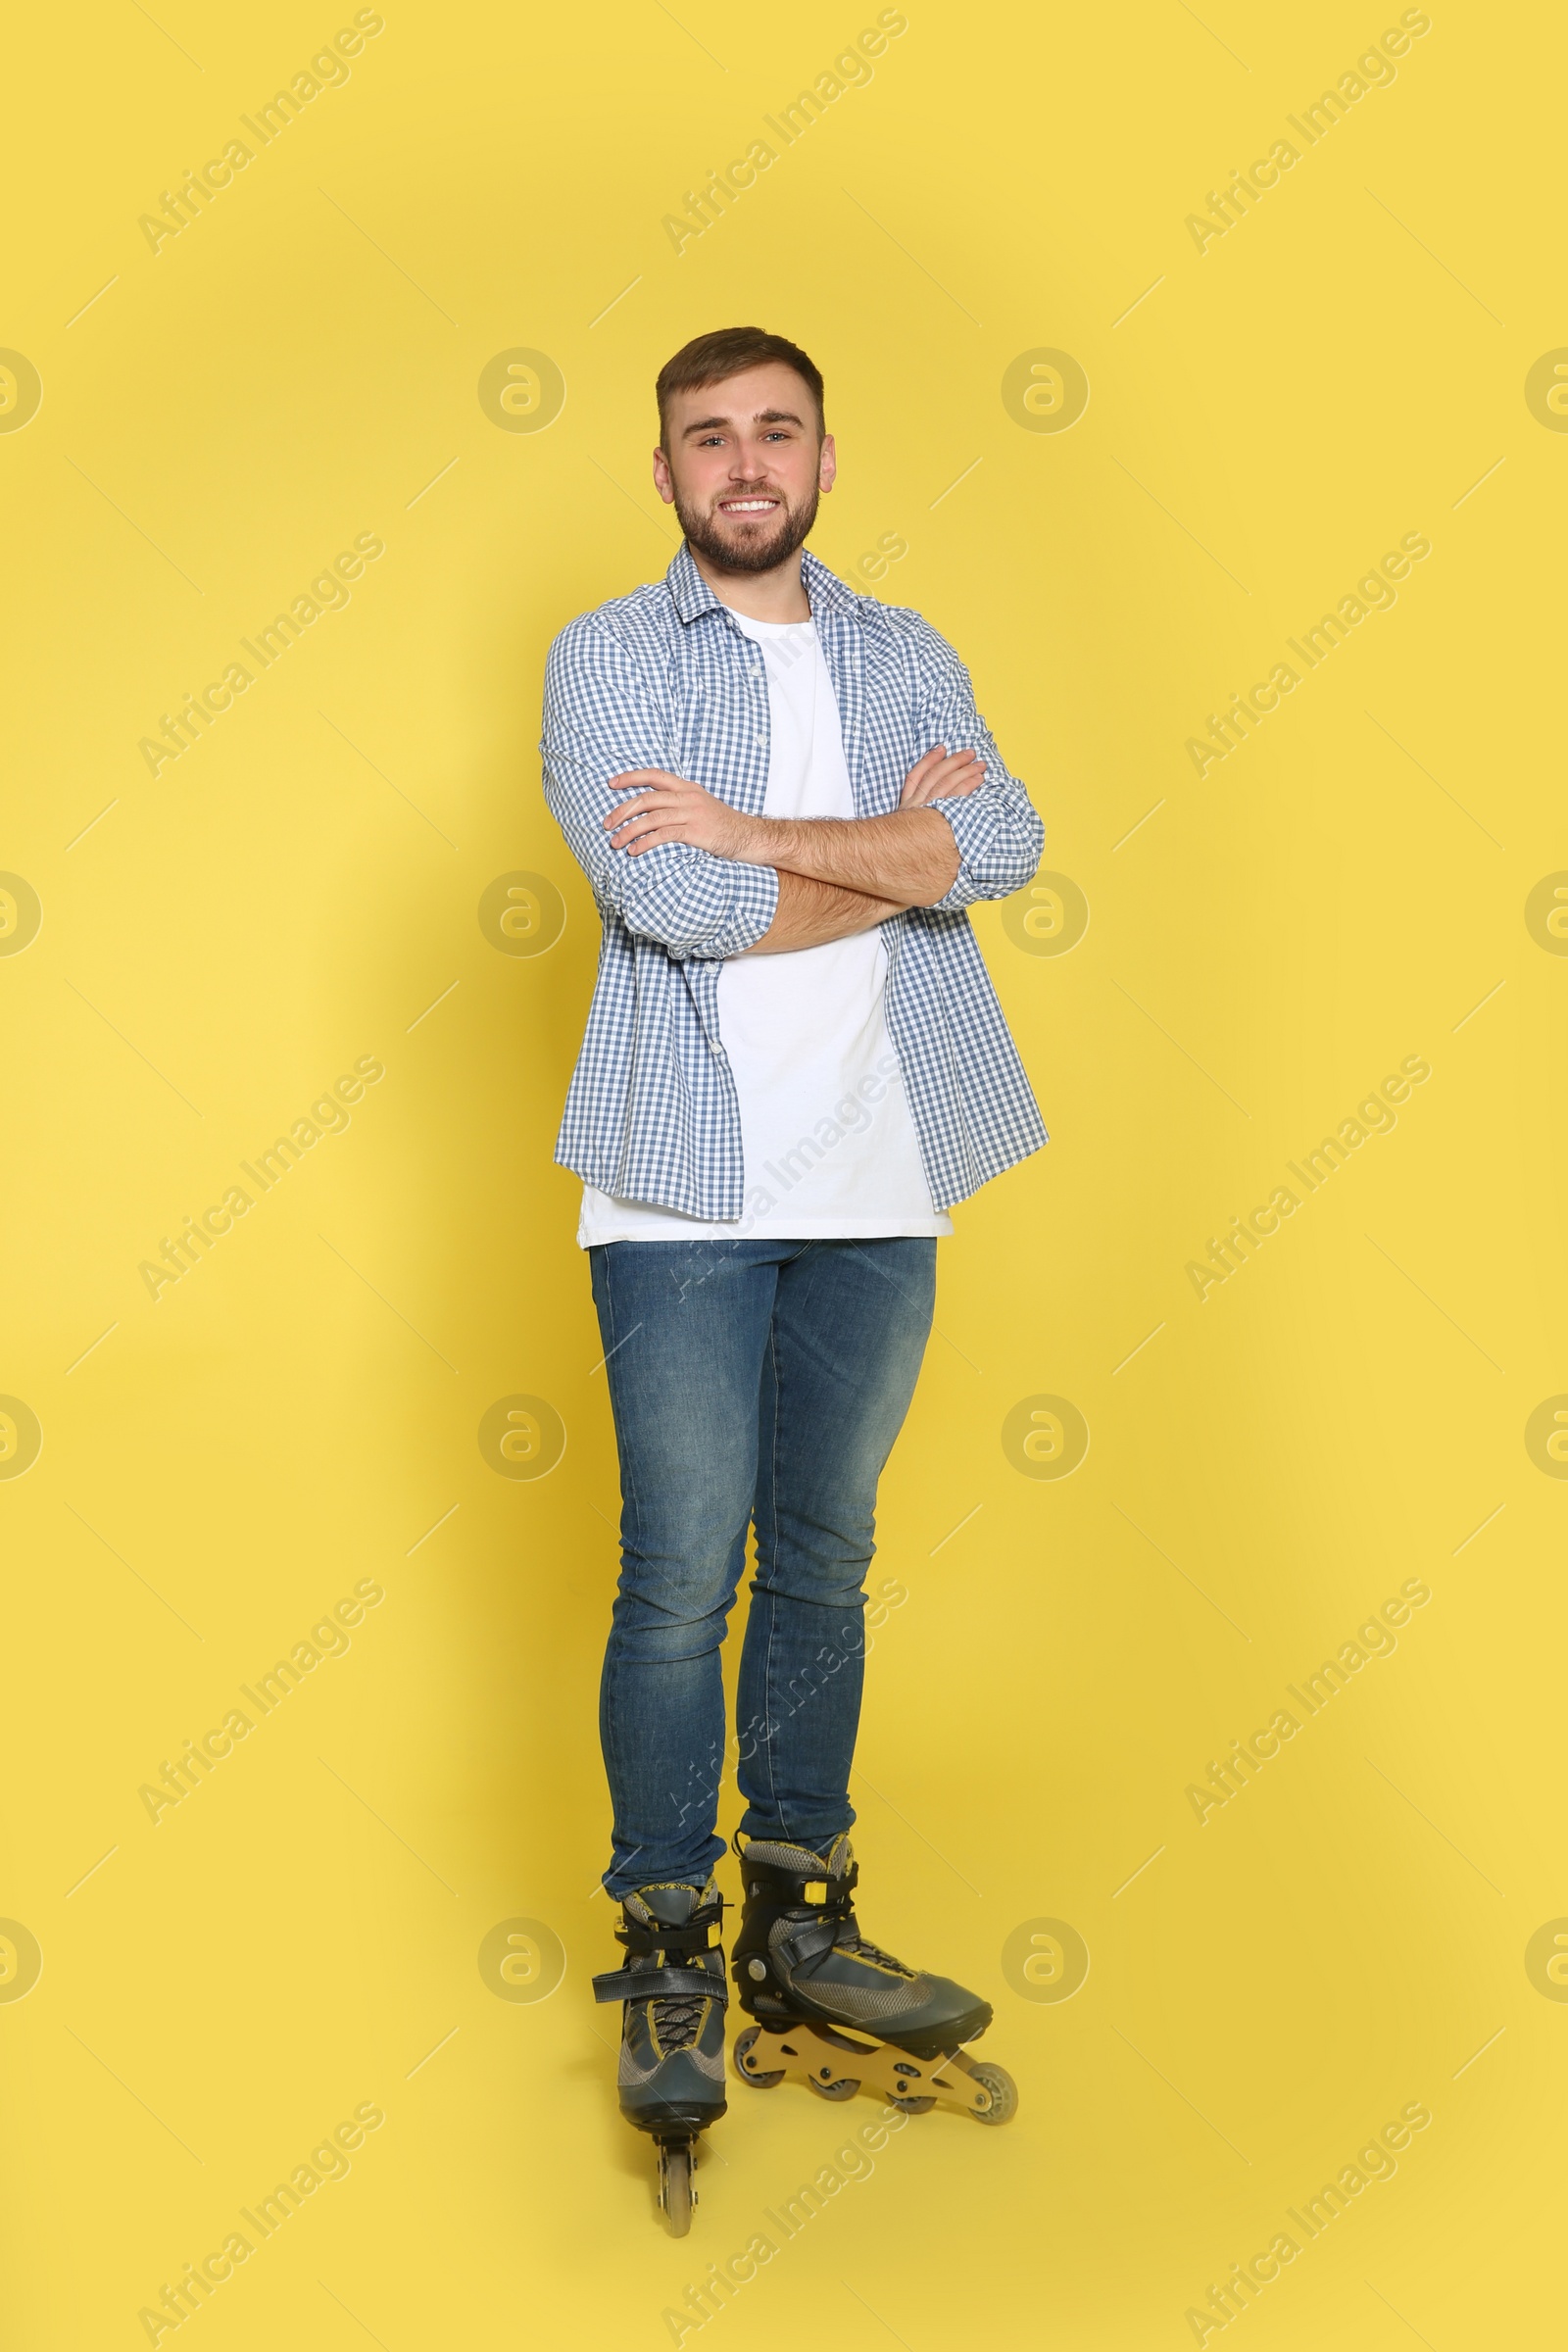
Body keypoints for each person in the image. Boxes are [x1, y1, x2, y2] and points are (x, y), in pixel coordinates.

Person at [540, 325, 1046, 2219]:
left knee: (825, 1551)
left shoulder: (906, 648)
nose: (745, 463)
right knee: (682, 1568)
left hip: (886, 1162)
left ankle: (802, 1912)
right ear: (662, 471)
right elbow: (667, 901)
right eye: (707, 439)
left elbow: (1007, 836)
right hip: (682, 1183)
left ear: (826, 455)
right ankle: (667, 1930)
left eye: (776, 433)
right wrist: (893, 852)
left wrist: (757, 833)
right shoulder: (605, 658)